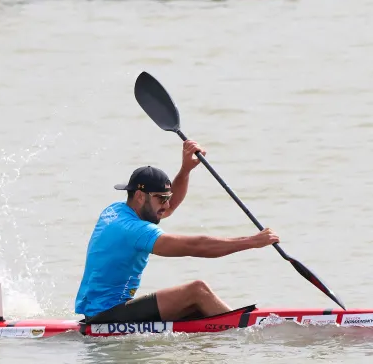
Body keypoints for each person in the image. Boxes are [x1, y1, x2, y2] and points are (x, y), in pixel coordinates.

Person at [75, 139, 280, 324]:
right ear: (139, 196)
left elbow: (170, 206)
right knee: (197, 291)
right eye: (161, 199)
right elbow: (195, 246)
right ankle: (245, 334)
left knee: (196, 309)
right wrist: (251, 242)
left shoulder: (115, 211)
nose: (166, 205)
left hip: (102, 310)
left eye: (167, 197)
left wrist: (185, 170)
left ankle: (224, 333)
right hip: (105, 316)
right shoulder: (135, 230)